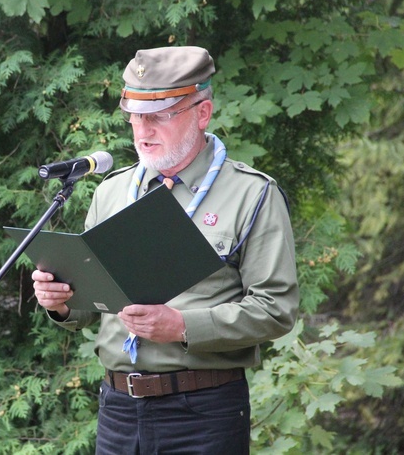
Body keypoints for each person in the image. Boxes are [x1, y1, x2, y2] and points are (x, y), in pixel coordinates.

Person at [32, 46, 299, 454]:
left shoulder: (251, 194)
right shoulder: (112, 191)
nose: (142, 131)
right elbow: (91, 305)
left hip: (204, 413)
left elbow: (276, 309)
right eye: (135, 116)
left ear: (203, 113)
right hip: (119, 409)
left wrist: (184, 327)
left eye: (158, 116)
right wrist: (62, 303)